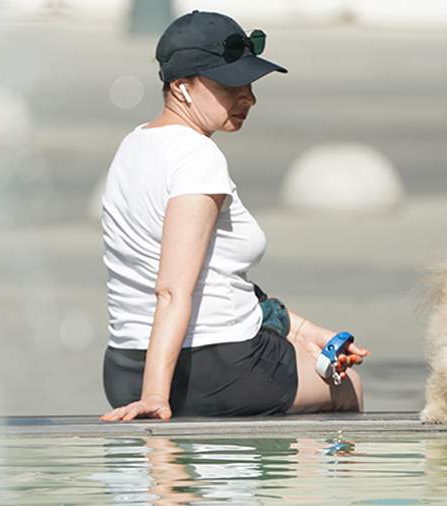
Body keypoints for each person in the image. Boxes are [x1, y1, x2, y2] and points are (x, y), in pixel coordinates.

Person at [99, 11, 369, 422]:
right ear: (181, 87)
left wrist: (306, 332)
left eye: (249, 84)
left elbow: (214, 276)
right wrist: (156, 394)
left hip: (123, 368)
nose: (248, 97)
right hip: (213, 370)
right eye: (230, 84)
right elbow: (172, 290)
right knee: (347, 387)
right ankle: (272, 480)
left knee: (310, 354)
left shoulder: (132, 146)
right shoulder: (196, 156)